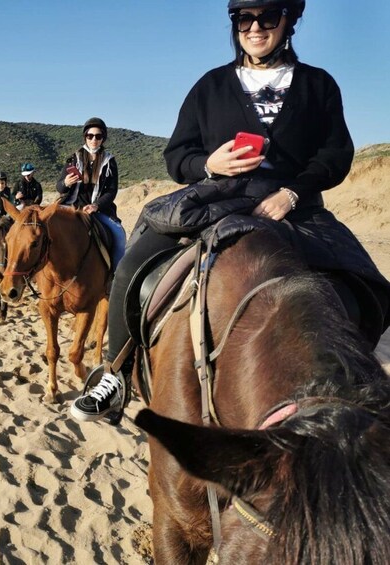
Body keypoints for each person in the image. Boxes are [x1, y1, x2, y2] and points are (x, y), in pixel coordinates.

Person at [70, 0, 390, 423]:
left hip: (294, 206)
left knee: (366, 284)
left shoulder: (318, 84)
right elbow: (177, 156)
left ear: (288, 22)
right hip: (216, 199)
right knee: (133, 262)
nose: (255, 27)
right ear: (235, 25)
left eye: (267, 17)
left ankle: (354, 383)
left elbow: (335, 154)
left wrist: (292, 193)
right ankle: (114, 373)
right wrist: (209, 165)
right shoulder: (211, 85)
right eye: (245, 18)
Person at [55, 117, 126, 271]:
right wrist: (66, 183)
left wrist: (96, 205)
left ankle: (115, 277)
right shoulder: (74, 158)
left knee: (119, 235)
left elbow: (111, 191)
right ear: (85, 137)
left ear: (103, 138)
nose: (94, 139)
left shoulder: (109, 161)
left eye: (98, 136)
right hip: (72, 208)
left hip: (97, 210)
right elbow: (60, 187)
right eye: (90, 136)